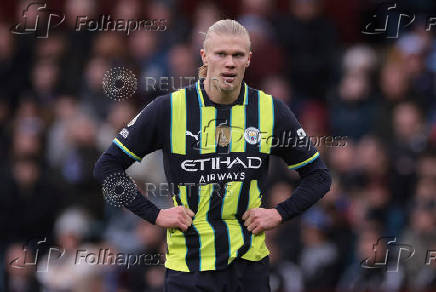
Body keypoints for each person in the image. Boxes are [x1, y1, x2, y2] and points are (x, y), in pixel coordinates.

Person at [94, 19, 332, 292]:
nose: (229, 63)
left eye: (237, 55)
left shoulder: (270, 110)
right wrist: (155, 215)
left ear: (249, 60)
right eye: (221, 54)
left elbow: (319, 177)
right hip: (189, 270)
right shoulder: (169, 109)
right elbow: (107, 167)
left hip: (248, 268)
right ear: (205, 56)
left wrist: (280, 213)